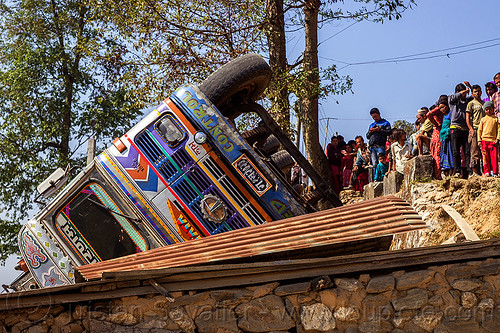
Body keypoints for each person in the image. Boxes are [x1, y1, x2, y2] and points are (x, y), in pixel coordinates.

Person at [449, 82, 473, 178]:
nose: (464, 94)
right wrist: (462, 91)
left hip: (465, 128)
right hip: (455, 128)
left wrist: (470, 88)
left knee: (467, 151)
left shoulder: (467, 101)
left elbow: (474, 95)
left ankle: (469, 171)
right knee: (455, 151)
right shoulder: (452, 100)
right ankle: (457, 171)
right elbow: (452, 97)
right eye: (461, 92)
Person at [465, 85, 485, 176]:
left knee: (484, 151)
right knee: (474, 150)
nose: (477, 93)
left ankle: (485, 171)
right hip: (475, 129)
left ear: (481, 92)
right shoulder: (471, 103)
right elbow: (467, 118)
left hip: (484, 129)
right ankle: (474, 171)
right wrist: (471, 129)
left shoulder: (484, 103)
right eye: (475, 91)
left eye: (478, 91)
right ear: (472, 93)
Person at [477, 101, 500, 177]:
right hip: (484, 141)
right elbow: (479, 130)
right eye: (486, 109)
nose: (488, 111)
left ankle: (495, 172)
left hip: (493, 141)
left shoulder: (496, 119)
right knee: (485, 157)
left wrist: (498, 139)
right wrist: (479, 140)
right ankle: (486, 172)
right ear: (484, 110)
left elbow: (499, 130)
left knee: (494, 158)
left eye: (490, 109)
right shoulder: (483, 119)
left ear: (493, 109)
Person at [366, 108, 392, 174]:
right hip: (372, 146)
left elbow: (389, 132)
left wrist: (379, 130)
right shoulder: (371, 125)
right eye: (373, 117)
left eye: (375, 116)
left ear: (379, 114)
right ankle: (376, 178)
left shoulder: (385, 123)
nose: (375, 118)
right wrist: (370, 131)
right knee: (374, 164)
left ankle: (383, 177)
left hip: (380, 146)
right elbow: (367, 136)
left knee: (382, 162)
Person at [427, 96, 447, 179]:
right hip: (438, 133)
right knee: (437, 154)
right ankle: (438, 175)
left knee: (436, 154)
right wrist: (436, 124)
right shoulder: (439, 110)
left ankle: (438, 174)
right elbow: (428, 114)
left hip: (436, 133)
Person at [439, 98, 454, 177]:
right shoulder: (444, 116)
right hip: (444, 138)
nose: (441, 109)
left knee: (450, 153)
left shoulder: (451, 113)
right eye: (440, 108)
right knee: (445, 154)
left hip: (450, 136)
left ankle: (452, 171)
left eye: (442, 107)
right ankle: (447, 172)